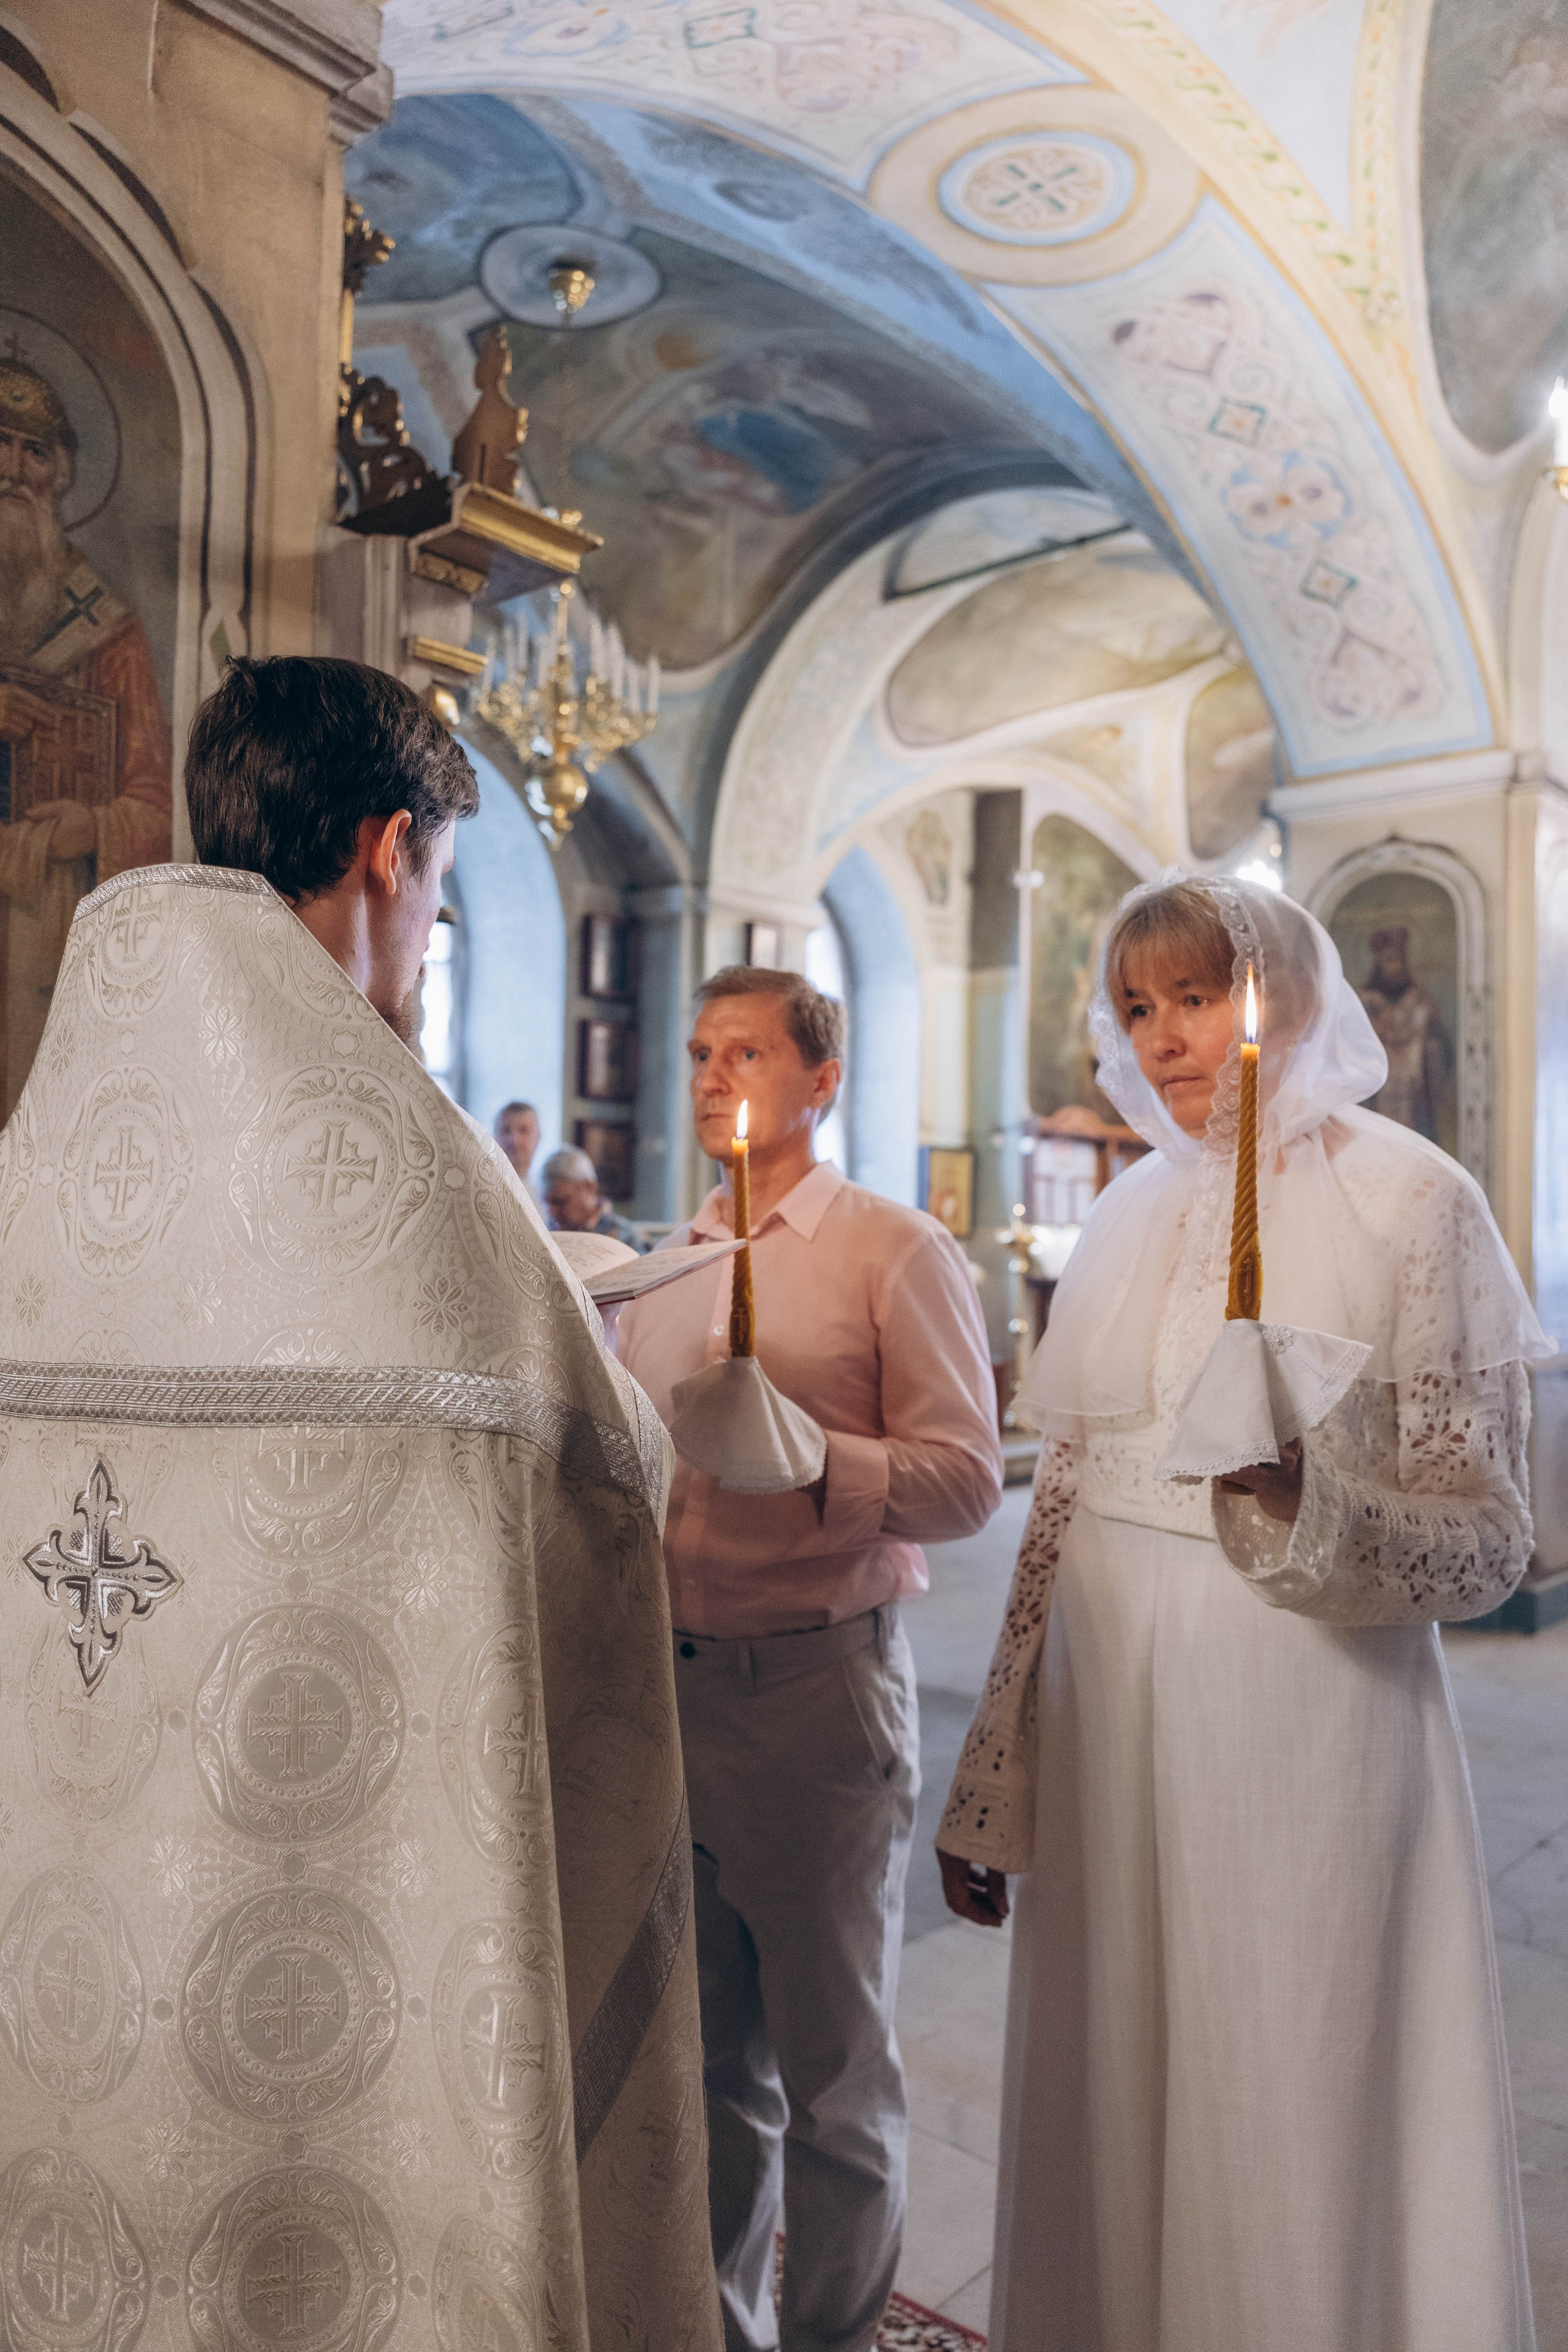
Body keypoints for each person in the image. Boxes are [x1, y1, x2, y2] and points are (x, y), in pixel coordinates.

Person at [0, 656, 720, 2349]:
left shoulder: (63, 1134)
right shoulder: (388, 1156)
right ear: (391, 851)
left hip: (79, 1899)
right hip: (330, 1896)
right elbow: (595, 1476)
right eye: (447, 897)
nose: (428, 943)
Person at [937, 873, 1548, 2352]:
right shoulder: (1125, 1215)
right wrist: (990, 1773)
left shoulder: (1410, 1196)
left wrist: (1309, 1502)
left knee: (1287, 2064)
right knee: (1118, 2079)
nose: (1161, 1040)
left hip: (1306, 1723)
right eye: (1137, 1007)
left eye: (1194, 998)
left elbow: (1488, 1546)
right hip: (1110, 1716)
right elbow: (1056, 1517)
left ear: (1283, 991)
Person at [616, 965, 1004, 2352]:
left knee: (835, 2071)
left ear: (819, 1078)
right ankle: (727, 2331)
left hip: (812, 1690)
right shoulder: (660, 1263)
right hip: (668, 1687)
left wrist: (817, 1461)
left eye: (747, 1050)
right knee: (713, 2066)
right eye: (700, 1049)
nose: (715, 1073)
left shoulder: (888, 1250)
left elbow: (966, 1481)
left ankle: (834, 2337)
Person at [0, 344, 173, 1109]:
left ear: (62, 472)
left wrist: (93, 825)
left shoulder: (108, 631)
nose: (11, 468)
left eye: (33, 449)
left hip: (40, 930)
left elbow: (155, 805)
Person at [1356, 921, 1453, 1142]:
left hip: (1413, 1089)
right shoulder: (1363, 1002)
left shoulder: (1421, 1001)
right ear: (1379, 962)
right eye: (1388, 961)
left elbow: (1441, 1046)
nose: (1394, 966)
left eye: (1398, 960)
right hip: (1377, 1090)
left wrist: (1429, 1046)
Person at [541, 1142, 649, 1251]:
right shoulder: (543, 1236)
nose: (552, 1211)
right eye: (547, 1202)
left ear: (589, 1187)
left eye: (561, 1202)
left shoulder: (627, 1238)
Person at [493, 1095, 541, 1188]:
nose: (514, 1140)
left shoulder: (547, 1196)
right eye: (506, 1131)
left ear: (538, 1137)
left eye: (524, 1130)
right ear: (494, 1137)